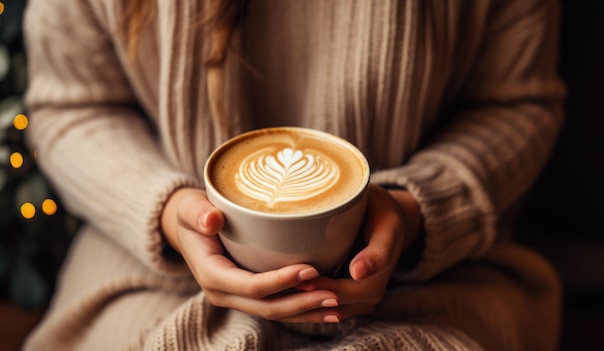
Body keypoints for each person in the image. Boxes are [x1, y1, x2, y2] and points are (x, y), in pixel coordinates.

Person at [21, 0, 565, 350]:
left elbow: (517, 107)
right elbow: (71, 109)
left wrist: (415, 208)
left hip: (435, 273)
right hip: (153, 275)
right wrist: (165, 210)